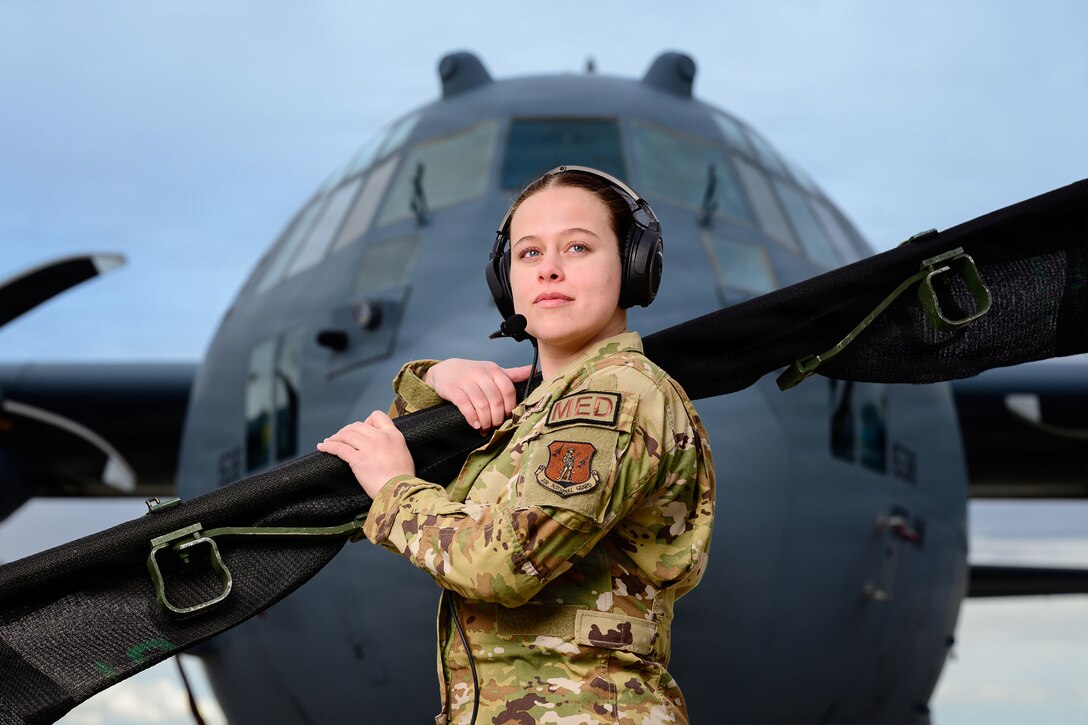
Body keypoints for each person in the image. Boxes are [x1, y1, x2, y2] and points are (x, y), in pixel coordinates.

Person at [318, 166, 715, 724]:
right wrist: (435, 384)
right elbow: (391, 476)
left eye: (577, 247)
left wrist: (393, 492)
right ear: (506, 282)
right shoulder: (535, 412)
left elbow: (505, 563)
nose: (549, 269)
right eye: (529, 254)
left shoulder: (613, 394)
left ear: (632, 266)